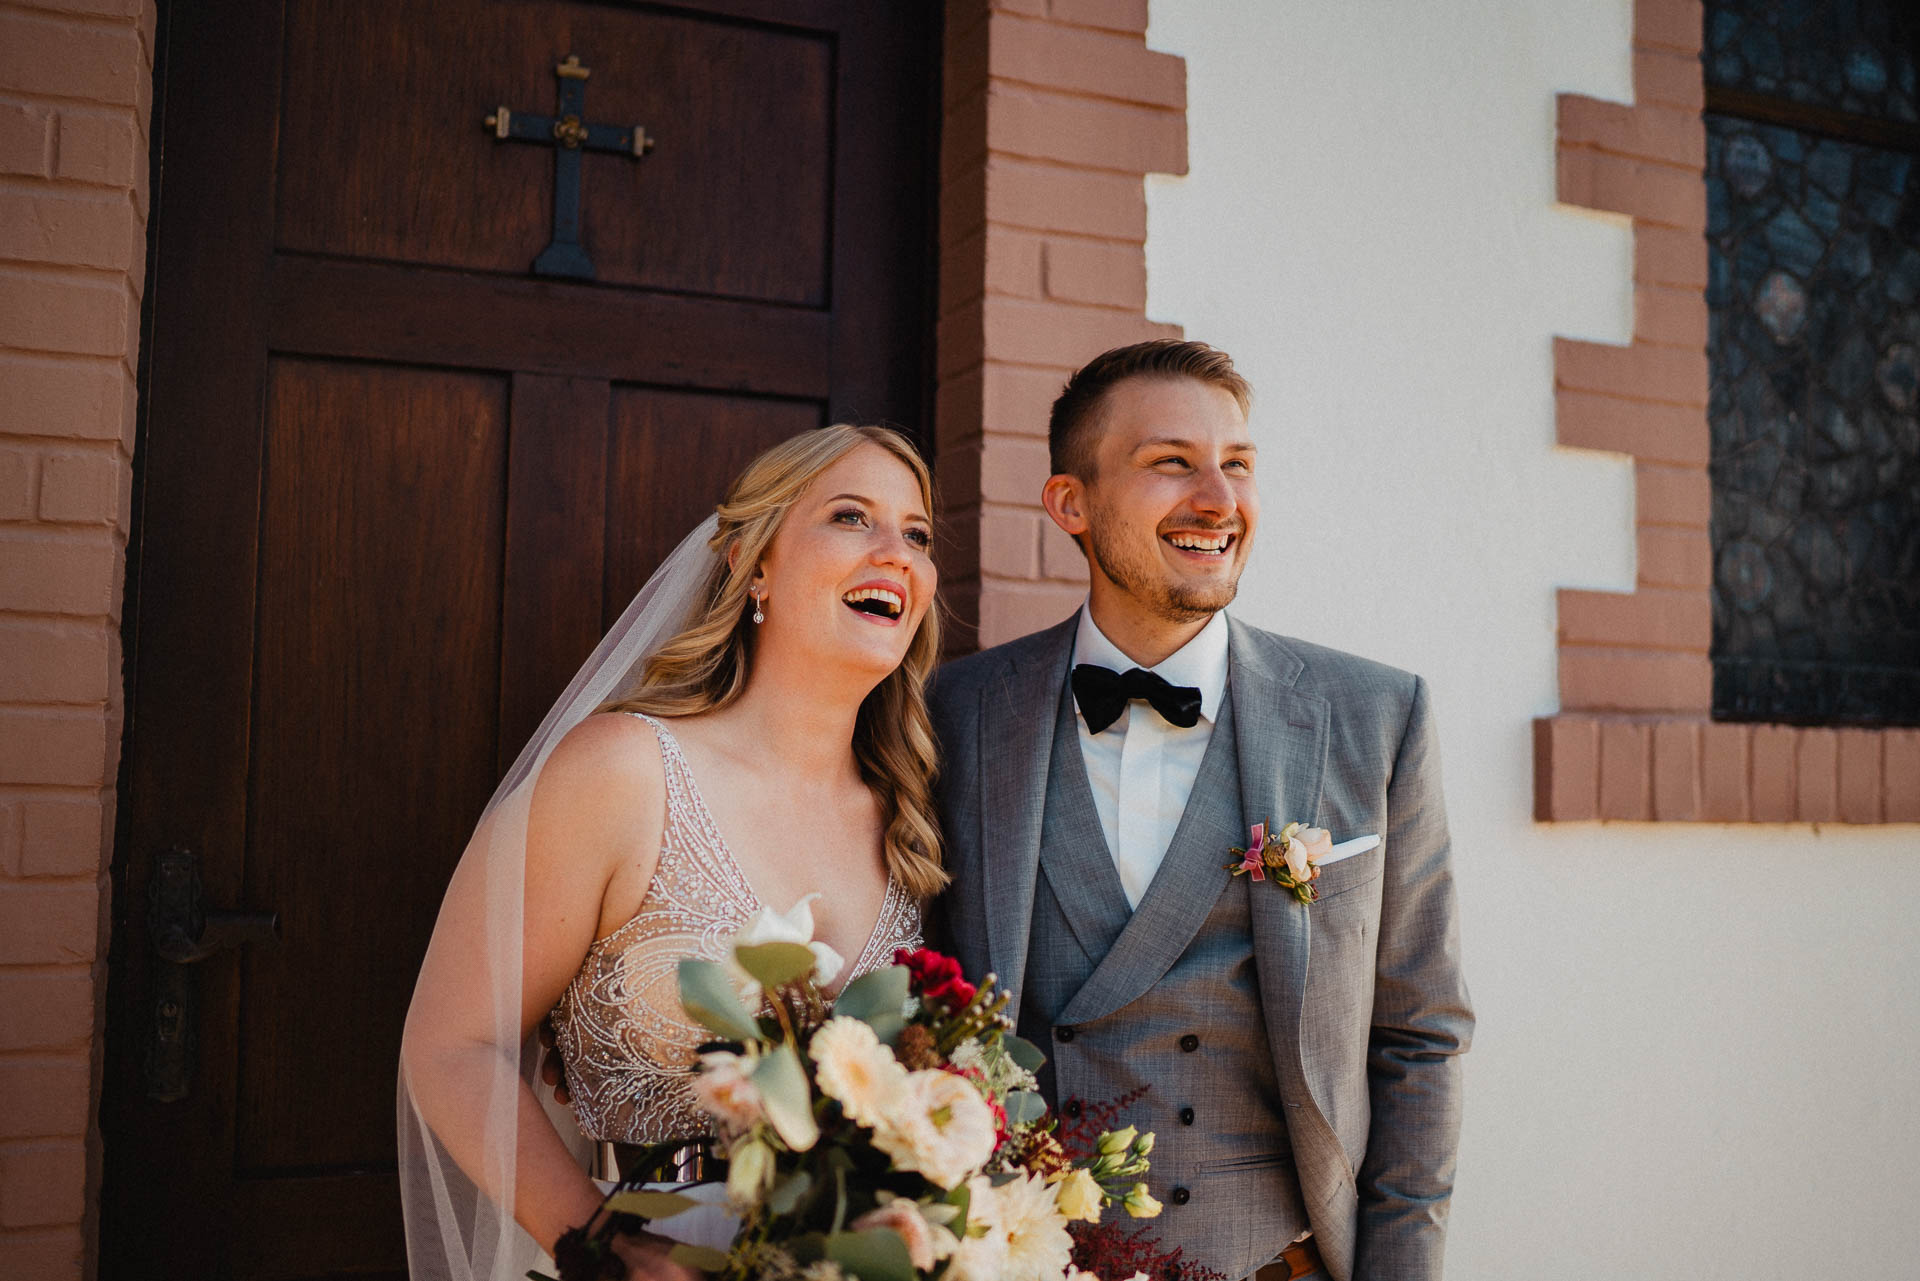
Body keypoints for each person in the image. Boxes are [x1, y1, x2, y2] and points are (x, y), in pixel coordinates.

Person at [928, 340, 1473, 1281]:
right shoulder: (958, 714)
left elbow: (1419, 1033)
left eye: (1239, 465)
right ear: (1071, 504)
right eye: (1171, 462)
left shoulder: (1373, 716)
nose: (1220, 499)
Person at [399, 424, 944, 1281]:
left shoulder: (912, 818)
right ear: (751, 563)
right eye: (851, 517)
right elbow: (451, 1046)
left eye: (917, 534)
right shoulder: (623, 770)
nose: (897, 553)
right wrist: (610, 1250)